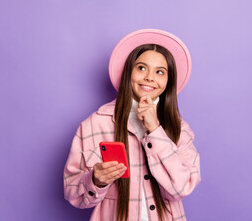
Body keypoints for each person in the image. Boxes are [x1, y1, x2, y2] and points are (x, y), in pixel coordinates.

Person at [63, 29, 201, 221]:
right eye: (142, 68)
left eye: (160, 72)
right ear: (129, 72)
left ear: (168, 81)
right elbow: (72, 192)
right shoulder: (95, 124)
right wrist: (95, 181)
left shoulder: (179, 128)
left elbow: (182, 187)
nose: (149, 77)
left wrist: (155, 130)